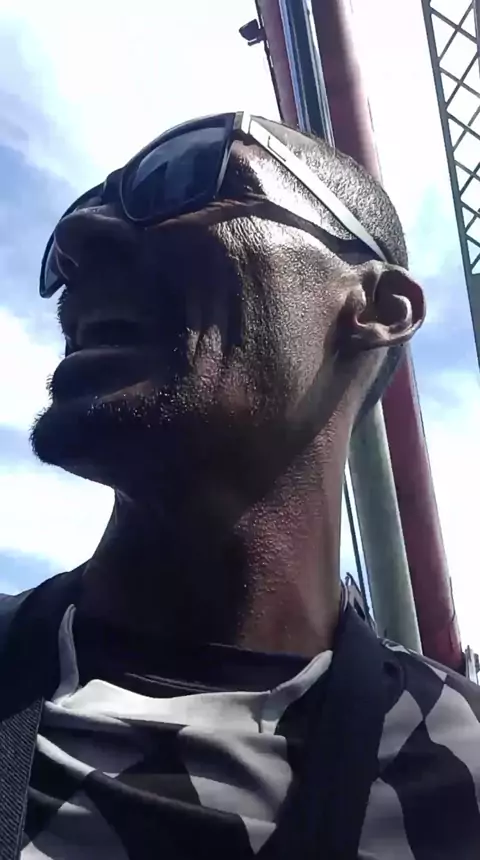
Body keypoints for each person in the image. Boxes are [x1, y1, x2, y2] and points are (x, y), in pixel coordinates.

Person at [1, 112, 479, 860]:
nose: (77, 237)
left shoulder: (463, 774)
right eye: (82, 210)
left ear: (380, 309)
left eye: (185, 176)